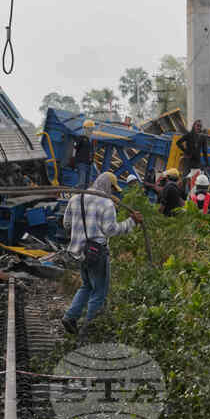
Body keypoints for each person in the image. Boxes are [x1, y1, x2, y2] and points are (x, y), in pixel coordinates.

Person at [61, 172, 143, 335]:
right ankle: (90, 328)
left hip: (79, 252)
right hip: (97, 252)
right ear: (107, 186)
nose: (112, 192)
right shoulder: (107, 203)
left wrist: (81, 231)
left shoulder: (76, 198)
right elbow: (110, 230)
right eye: (112, 188)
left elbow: (66, 224)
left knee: (86, 285)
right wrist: (131, 222)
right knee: (99, 291)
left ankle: (70, 317)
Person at [69, 120, 96, 189]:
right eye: (90, 129)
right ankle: (76, 192)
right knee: (81, 182)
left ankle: (84, 195)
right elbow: (75, 148)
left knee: (88, 183)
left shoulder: (91, 140)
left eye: (92, 129)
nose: (91, 131)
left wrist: (92, 161)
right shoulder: (80, 138)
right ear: (85, 129)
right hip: (81, 163)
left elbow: (91, 152)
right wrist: (73, 159)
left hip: (89, 164)